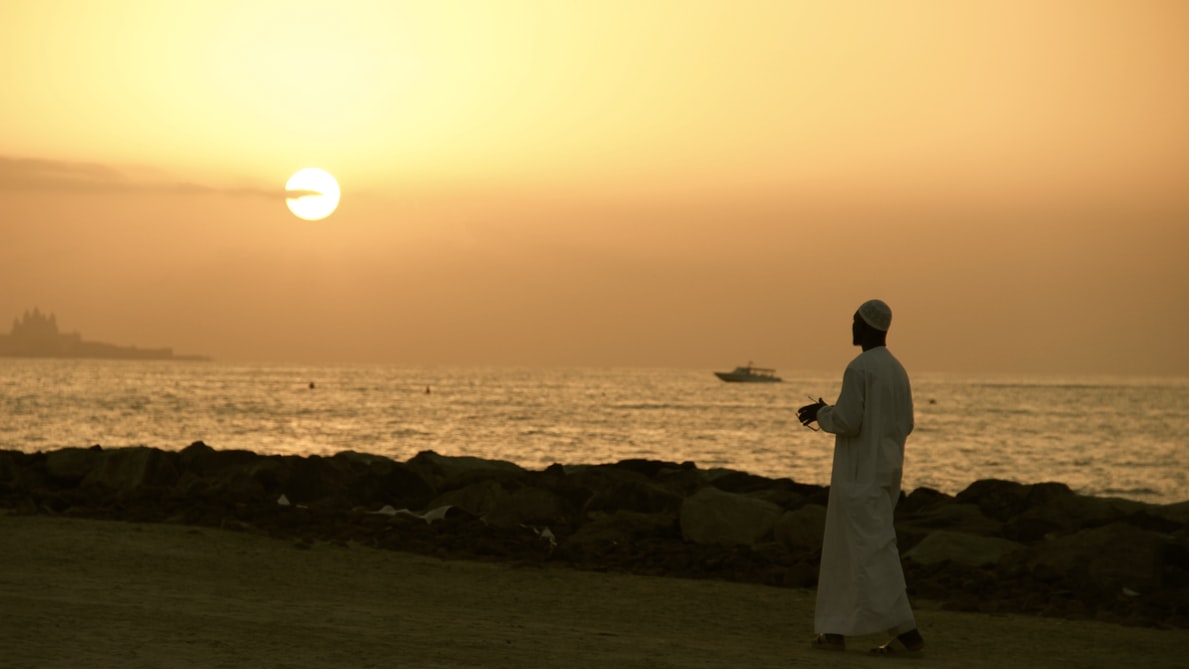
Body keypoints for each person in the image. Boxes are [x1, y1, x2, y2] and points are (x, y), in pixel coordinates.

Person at [796, 299, 925, 657]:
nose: (851, 326)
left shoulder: (859, 368)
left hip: (857, 477)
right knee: (855, 551)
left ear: (868, 326)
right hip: (885, 473)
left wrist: (822, 413)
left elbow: (848, 422)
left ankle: (908, 634)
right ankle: (835, 629)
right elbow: (906, 424)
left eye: (855, 321)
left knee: (869, 554)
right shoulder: (897, 371)